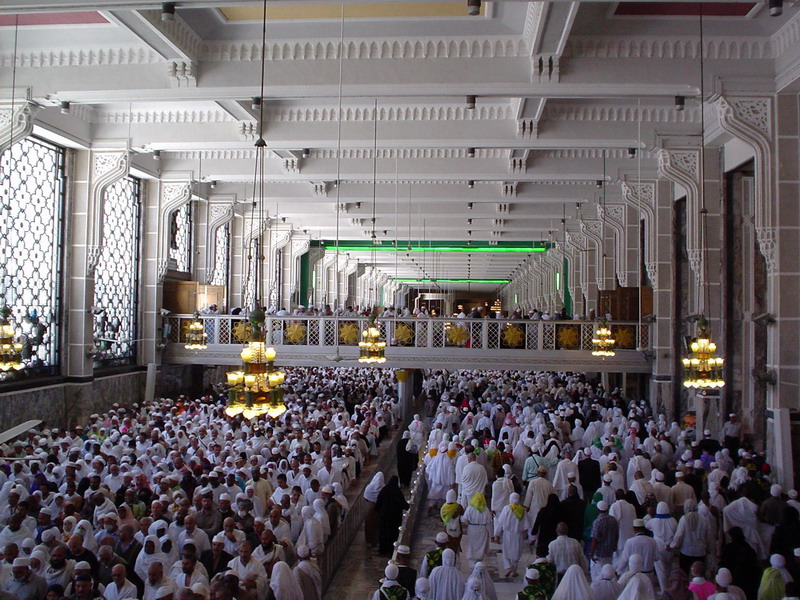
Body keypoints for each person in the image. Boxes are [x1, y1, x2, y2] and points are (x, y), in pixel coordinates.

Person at [493, 493, 532, 578]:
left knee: (506, 552)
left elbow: (500, 523)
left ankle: (507, 567)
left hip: (507, 534)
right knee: (516, 553)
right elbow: (527, 525)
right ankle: (514, 571)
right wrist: (527, 536)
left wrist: (497, 535)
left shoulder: (506, 509)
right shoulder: (523, 510)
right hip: (518, 535)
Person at [376, 476, 409, 557]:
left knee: (384, 533)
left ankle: (382, 550)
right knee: (393, 534)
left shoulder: (384, 490)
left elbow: (379, 502)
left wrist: (378, 510)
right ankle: (391, 551)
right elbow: (403, 504)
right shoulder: (397, 492)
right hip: (395, 518)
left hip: (385, 517)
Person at [462, 493, 492, 567]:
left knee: (472, 545)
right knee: (481, 546)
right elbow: (489, 523)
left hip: (472, 529)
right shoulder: (485, 510)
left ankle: (472, 564)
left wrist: (467, 522)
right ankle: (480, 563)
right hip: (483, 530)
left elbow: (464, 519)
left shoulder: (470, 508)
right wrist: (491, 534)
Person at [364, 473, 385, 548]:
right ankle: (377, 541)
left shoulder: (369, 488)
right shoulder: (383, 488)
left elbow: (365, 497)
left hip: (370, 511)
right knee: (377, 526)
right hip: (379, 511)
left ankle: (369, 541)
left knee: (370, 526)